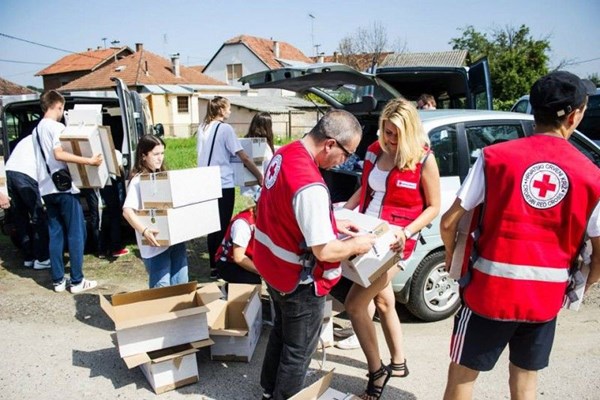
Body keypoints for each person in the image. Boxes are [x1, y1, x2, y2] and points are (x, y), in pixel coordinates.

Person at [440, 71, 600, 400]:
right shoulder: (592, 176)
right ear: (575, 116)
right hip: (545, 299)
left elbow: (449, 222)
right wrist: (581, 286)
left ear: (533, 109)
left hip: (488, 292)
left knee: (462, 378)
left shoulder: (494, 158)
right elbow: (599, 253)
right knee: (525, 382)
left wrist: (451, 257)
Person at [255, 109, 377, 400]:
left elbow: (289, 213)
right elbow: (325, 250)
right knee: (298, 352)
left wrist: (332, 222)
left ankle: (268, 390)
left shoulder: (286, 153)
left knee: (281, 334)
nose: (346, 162)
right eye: (347, 154)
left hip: (273, 268)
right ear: (330, 144)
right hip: (299, 281)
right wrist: (357, 245)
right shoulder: (310, 183)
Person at [343, 98, 441, 399]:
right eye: (387, 132)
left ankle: (377, 372)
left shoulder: (423, 159)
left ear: (410, 132)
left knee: (355, 305)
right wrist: (342, 213)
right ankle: (398, 362)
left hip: (395, 243)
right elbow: (367, 188)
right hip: (365, 233)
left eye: (397, 134)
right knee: (384, 302)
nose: (391, 140)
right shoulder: (374, 151)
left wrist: (407, 231)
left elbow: (434, 206)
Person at [33, 90, 101, 293]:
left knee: (56, 233)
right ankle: (77, 280)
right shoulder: (57, 126)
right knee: (76, 232)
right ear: (58, 106)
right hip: (63, 187)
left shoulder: (36, 130)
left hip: (46, 188)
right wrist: (88, 161)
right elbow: (59, 153)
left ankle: (58, 281)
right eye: (62, 108)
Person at [196, 96, 263, 280]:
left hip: (205, 181)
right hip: (223, 182)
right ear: (222, 110)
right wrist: (258, 175)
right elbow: (243, 156)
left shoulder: (203, 128)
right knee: (223, 223)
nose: (230, 111)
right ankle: (221, 263)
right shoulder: (225, 129)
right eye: (229, 108)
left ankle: (212, 265)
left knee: (212, 224)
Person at [123, 134, 189, 288]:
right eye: (156, 154)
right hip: (155, 245)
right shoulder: (138, 180)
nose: (160, 158)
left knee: (181, 285)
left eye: (162, 153)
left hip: (175, 241)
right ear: (143, 156)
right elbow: (127, 211)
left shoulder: (163, 176)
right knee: (162, 289)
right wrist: (145, 231)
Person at [5, 135, 50, 269]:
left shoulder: (28, 139)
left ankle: (28, 257)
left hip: (10, 172)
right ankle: (42, 258)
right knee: (38, 217)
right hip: (26, 175)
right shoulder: (46, 138)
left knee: (21, 218)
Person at [214, 190, 261, 284]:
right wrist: (263, 273)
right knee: (254, 281)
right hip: (229, 262)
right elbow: (238, 257)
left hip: (249, 256)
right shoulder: (243, 225)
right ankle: (230, 291)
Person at [241, 112, 275, 197]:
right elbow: (270, 168)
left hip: (246, 190)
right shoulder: (263, 146)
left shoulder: (245, 142)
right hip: (261, 191)